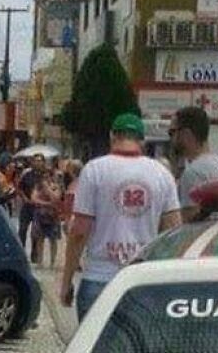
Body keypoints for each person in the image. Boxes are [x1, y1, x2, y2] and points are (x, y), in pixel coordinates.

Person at [59, 113, 181, 322]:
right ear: (142, 140)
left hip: (99, 278)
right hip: (142, 280)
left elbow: (79, 231)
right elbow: (173, 231)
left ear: (112, 136)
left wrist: (67, 280)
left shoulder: (94, 170)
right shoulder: (162, 174)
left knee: (96, 352)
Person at [168, 105, 218, 221]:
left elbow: (188, 223)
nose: (171, 139)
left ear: (186, 134)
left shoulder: (193, 172)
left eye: (172, 132)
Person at [31, 172, 62, 268]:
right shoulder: (37, 187)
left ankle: (52, 262)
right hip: (40, 216)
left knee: (53, 240)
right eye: (44, 177)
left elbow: (56, 198)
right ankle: (40, 262)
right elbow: (34, 199)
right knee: (39, 238)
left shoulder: (56, 187)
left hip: (53, 216)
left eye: (47, 176)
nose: (45, 179)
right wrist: (47, 204)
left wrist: (48, 189)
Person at [17, 153, 46, 254]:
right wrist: (24, 198)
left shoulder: (45, 176)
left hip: (38, 207)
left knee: (36, 231)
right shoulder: (27, 174)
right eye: (36, 160)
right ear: (32, 162)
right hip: (27, 205)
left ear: (43, 163)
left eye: (40, 161)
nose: (38, 163)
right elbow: (19, 188)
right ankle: (20, 250)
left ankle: (34, 252)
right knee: (22, 229)